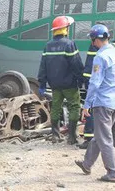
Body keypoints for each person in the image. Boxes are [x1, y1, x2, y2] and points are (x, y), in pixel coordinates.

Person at [75, 24, 115, 183]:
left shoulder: (100, 57)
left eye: (92, 40)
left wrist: (87, 104)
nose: (92, 43)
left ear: (96, 39)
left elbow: (94, 82)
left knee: (105, 139)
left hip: (102, 102)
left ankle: (113, 172)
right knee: (100, 135)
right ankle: (87, 164)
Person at [38, 15, 84, 144]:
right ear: (65, 29)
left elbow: (43, 66)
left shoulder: (48, 46)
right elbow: (76, 64)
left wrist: (42, 83)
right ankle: (72, 137)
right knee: (74, 107)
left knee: (56, 108)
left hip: (55, 85)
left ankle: (55, 136)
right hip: (70, 85)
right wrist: (81, 79)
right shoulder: (69, 44)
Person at [79, 43, 98, 149]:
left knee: (90, 110)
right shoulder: (110, 49)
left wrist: (83, 80)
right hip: (103, 86)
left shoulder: (93, 46)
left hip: (92, 82)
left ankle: (89, 139)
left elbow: (89, 67)